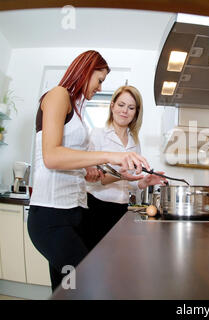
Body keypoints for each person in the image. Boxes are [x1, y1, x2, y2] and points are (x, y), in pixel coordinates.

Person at [28, 50, 150, 292]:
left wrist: (89, 170)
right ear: (86, 69)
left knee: (64, 289)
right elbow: (52, 156)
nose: (100, 86)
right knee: (89, 282)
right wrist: (110, 156)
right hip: (51, 216)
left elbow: (70, 163)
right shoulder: (58, 95)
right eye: (100, 79)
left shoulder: (75, 110)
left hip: (73, 214)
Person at [84, 85, 167, 249]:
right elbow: (91, 180)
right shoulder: (97, 135)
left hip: (120, 209)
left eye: (131, 108)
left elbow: (132, 183)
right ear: (112, 105)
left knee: (116, 262)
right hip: (95, 207)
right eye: (121, 105)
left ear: (136, 112)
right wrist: (120, 175)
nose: (125, 111)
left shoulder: (134, 142)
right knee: (94, 262)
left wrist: (145, 181)